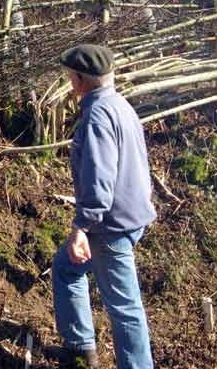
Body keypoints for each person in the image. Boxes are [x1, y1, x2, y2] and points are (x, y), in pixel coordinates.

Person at [51, 44, 156, 369]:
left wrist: (82, 227)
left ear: (81, 80)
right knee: (67, 268)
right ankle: (80, 347)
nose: (70, 84)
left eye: (70, 77)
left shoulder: (96, 116)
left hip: (111, 225)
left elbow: (99, 176)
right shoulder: (120, 105)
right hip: (131, 214)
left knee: (125, 307)